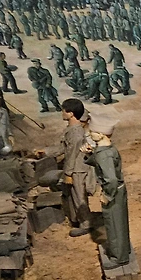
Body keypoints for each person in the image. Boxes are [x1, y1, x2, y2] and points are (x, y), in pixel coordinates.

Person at [85, 116, 131, 267]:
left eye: (92, 131)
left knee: (114, 224)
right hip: (119, 190)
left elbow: (110, 179)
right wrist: (90, 154)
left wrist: (107, 195)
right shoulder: (108, 149)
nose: (90, 133)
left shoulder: (104, 154)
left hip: (112, 192)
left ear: (101, 134)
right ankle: (124, 250)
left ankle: (119, 258)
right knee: (120, 223)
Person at [48, 99, 92, 237]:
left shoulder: (75, 132)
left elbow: (72, 153)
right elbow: (64, 148)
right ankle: (77, 219)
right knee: (74, 195)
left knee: (79, 197)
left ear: (71, 113)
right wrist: (46, 152)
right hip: (74, 168)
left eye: (64, 110)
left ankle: (85, 224)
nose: (62, 112)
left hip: (77, 169)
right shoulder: (72, 129)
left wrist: (68, 173)